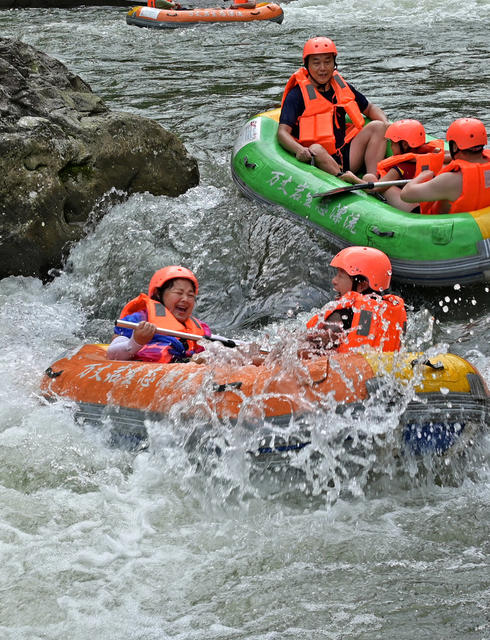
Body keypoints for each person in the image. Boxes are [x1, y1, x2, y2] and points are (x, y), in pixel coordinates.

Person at [277, 37, 389, 180]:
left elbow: (370, 108)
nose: (322, 68)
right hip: (318, 160)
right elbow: (282, 133)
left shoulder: (341, 86)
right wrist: (299, 150)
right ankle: (343, 178)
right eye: (316, 63)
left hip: (345, 155)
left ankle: (372, 179)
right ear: (307, 66)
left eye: (327, 62)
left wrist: (387, 124)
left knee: (379, 126)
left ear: (334, 64)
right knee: (316, 149)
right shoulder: (297, 95)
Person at [304, 246, 406, 354]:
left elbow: (311, 346)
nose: (334, 280)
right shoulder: (390, 311)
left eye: (341, 275)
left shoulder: (343, 315)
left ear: (362, 286)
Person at [107, 266, 211, 363]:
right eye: (179, 293)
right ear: (158, 294)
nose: (185, 299)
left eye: (190, 295)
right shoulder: (138, 320)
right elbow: (112, 355)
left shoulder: (201, 328)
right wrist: (136, 342)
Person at [400, 117, 490, 214]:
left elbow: (405, 195)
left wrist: (421, 176)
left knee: (391, 190)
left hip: (442, 222)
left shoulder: (449, 180)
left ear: (454, 146)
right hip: (479, 219)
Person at [360, 119, 446, 212]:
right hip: (430, 203)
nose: (391, 147)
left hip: (414, 209)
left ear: (404, 144)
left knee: (369, 177)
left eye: (392, 143)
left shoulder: (399, 168)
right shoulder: (430, 154)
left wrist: (352, 178)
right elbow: (447, 156)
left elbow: (375, 188)